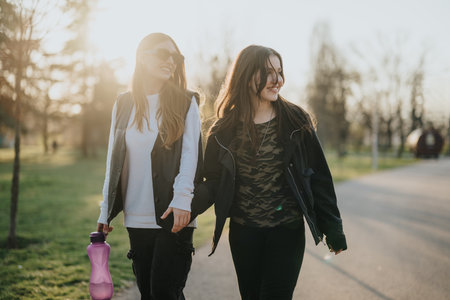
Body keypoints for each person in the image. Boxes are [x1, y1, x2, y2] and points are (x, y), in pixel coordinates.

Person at [196, 45, 347, 299]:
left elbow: (319, 175)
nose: (278, 80)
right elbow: (212, 182)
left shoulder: (296, 121)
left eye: (279, 71)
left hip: (286, 232)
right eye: (268, 72)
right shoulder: (223, 131)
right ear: (246, 75)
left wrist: (333, 227)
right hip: (245, 234)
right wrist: (183, 208)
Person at [96, 33, 201, 300]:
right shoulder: (123, 103)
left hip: (173, 216)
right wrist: (105, 210)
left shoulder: (187, 101)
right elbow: (114, 159)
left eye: (175, 57)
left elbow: (191, 155)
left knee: (165, 293)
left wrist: (182, 199)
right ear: (143, 58)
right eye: (163, 54)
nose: (171, 61)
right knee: (148, 294)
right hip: (136, 217)